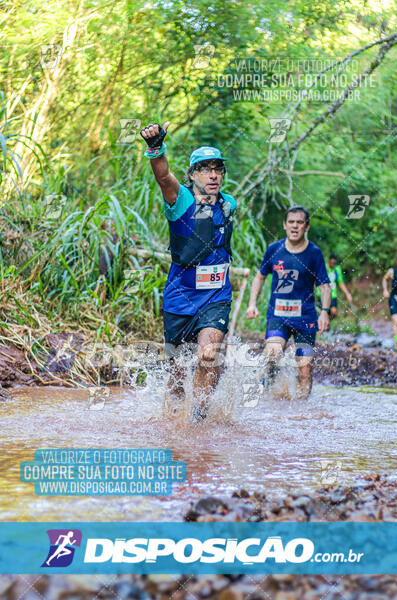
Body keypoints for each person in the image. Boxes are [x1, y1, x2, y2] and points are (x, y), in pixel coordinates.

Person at [139, 122, 237, 420]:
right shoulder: (179, 199)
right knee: (177, 374)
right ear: (192, 174)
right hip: (180, 297)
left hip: (216, 295)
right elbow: (163, 177)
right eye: (205, 169)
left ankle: (198, 419)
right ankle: (175, 422)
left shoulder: (229, 203)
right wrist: (156, 148)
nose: (213, 175)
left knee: (210, 353)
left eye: (217, 169)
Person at [245, 206, 331, 400]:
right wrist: (252, 304)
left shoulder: (314, 253)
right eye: (291, 222)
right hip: (278, 315)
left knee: (305, 368)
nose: (295, 226)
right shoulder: (274, 249)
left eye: (299, 222)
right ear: (285, 225)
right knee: (272, 354)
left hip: (306, 318)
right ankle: (264, 398)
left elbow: (324, 284)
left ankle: (301, 411)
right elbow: (260, 277)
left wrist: (324, 312)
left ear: (306, 227)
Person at [316, 253, 352, 319]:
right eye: (331, 263)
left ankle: (328, 325)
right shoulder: (324, 268)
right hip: (322, 294)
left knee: (334, 312)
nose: (332, 264)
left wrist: (347, 293)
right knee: (323, 312)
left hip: (332, 295)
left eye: (334, 263)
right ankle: (324, 325)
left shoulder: (337, 269)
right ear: (329, 261)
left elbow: (340, 282)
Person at [382, 255, 397, 353]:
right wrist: (385, 290)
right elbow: (384, 279)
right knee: (396, 320)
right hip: (394, 298)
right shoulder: (392, 271)